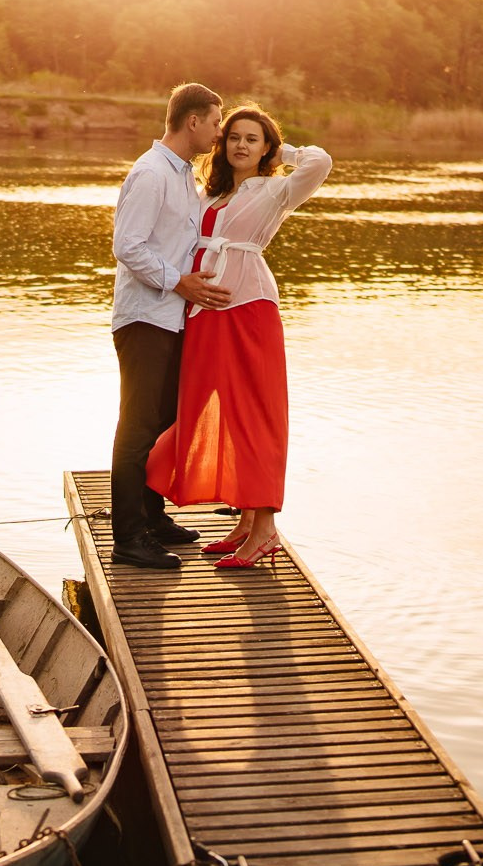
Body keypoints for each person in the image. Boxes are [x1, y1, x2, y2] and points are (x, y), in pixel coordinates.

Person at [146, 105, 331, 568]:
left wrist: (278, 148)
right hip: (206, 311)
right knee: (216, 410)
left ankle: (265, 529)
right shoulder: (209, 194)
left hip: (249, 309)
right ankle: (247, 521)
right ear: (222, 144)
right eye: (234, 137)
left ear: (265, 147)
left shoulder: (275, 191)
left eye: (253, 139)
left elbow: (320, 161)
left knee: (254, 415)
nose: (242, 145)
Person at [107, 83, 231, 570]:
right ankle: (128, 538)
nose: (220, 133)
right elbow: (128, 245)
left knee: (160, 426)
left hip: (171, 319)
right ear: (193, 121)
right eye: (217, 122)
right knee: (137, 428)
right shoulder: (151, 173)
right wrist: (178, 283)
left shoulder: (185, 177)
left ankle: (154, 520)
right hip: (143, 317)